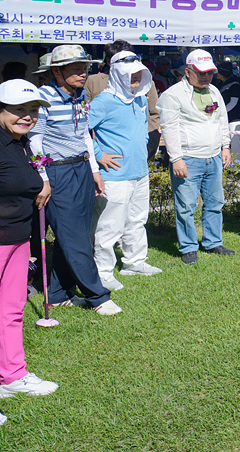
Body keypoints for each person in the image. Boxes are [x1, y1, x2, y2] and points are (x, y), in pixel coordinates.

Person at [28, 45, 121, 315]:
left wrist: (93, 170)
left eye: (85, 68)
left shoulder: (81, 95)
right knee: (75, 238)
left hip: (81, 168)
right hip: (57, 172)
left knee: (75, 235)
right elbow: (35, 141)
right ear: (57, 71)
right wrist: (44, 178)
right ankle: (98, 296)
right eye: (76, 68)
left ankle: (57, 293)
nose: (83, 73)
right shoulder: (42, 97)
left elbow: (84, 136)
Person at [0, 80, 60, 399]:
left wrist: (41, 182)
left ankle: (12, 374)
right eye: (18, 110)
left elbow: (31, 172)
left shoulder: (22, 141)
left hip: (19, 237)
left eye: (33, 110)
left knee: (12, 308)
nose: (27, 116)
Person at [88, 51, 162, 291]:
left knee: (137, 219)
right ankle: (103, 272)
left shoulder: (140, 99)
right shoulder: (102, 101)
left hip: (140, 171)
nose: (137, 81)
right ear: (118, 75)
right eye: (132, 77)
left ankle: (134, 261)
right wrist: (99, 155)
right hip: (115, 175)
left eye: (139, 76)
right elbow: (82, 132)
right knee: (110, 226)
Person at [156, 49, 235, 265]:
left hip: (214, 157)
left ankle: (213, 241)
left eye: (210, 72)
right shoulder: (172, 95)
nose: (206, 76)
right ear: (188, 71)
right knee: (186, 206)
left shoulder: (214, 91)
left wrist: (225, 146)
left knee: (215, 202)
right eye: (201, 72)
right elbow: (169, 128)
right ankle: (188, 246)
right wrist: (176, 158)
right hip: (188, 158)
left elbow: (221, 120)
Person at [84, 40, 161, 162]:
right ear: (110, 61)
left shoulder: (144, 85)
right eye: (122, 59)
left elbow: (153, 115)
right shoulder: (95, 83)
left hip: (138, 155)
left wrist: (145, 143)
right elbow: (83, 125)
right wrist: (98, 152)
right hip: (108, 154)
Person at [216, 62, 240, 163]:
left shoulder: (235, 85)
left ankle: (239, 166)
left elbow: (233, 102)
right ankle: (229, 165)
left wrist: (219, 113)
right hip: (224, 119)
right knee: (225, 144)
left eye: (218, 72)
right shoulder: (220, 84)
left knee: (235, 143)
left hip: (234, 120)